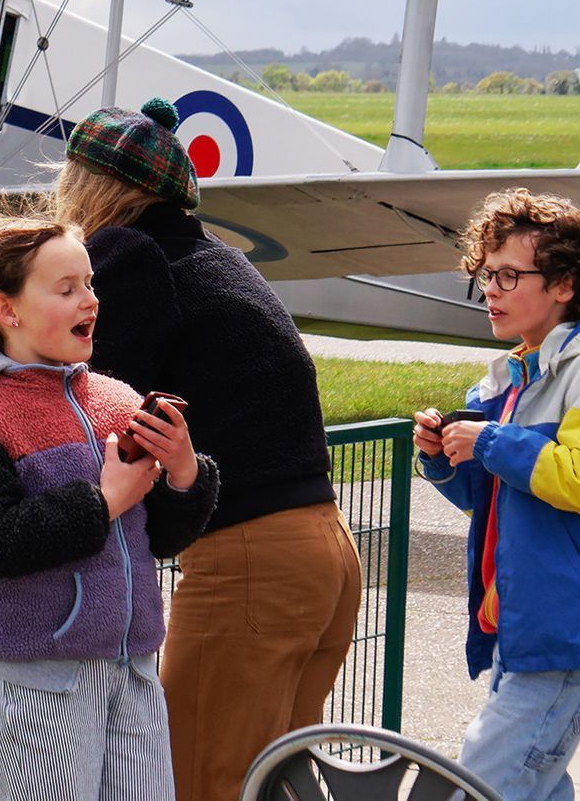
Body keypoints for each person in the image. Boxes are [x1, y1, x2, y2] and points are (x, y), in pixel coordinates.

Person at [51, 98, 363, 801]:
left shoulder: (130, 254)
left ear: (91, 184)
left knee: (196, 782)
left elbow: (96, 398)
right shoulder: (217, 257)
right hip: (323, 549)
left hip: (250, 560)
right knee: (271, 785)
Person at [0, 202, 219, 800]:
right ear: (8, 310)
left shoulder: (116, 399)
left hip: (135, 674)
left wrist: (182, 471)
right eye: (66, 288)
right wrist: (103, 501)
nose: (90, 301)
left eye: (90, 284)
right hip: (37, 689)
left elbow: (163, 538)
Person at [413, 188, 580, 800]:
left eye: (510, 275)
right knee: (535, 788)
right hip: (522, 628)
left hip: (566, 631)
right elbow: (491, 500)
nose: (491, 289)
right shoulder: (512, 374)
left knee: (481, 786)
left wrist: (490, 441)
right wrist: (443, 459)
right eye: (485, 275)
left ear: (565, 283)